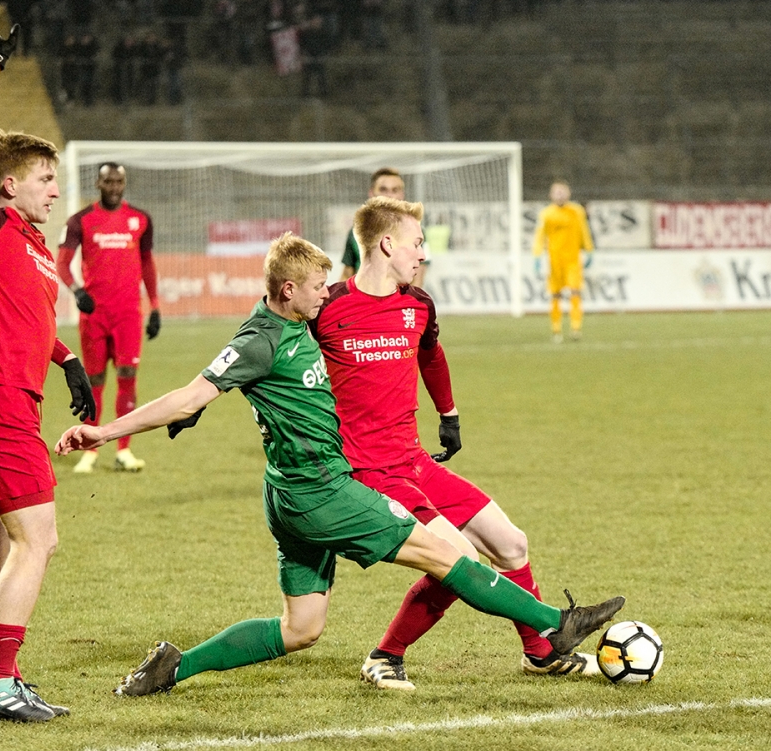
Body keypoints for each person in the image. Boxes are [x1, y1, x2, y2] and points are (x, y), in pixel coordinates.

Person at [54, 232, 625, 697]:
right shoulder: (262, 339)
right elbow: (187, 395)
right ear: (287, 289)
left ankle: (175, 666)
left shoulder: (287, 322)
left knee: (301, 628)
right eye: (316, 288)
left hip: (287, 494)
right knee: (448, 555)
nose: (325, 295)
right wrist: (104, 431)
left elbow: (218, 389)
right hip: (322, 492)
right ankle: (553, 624)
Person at [313, 196, 599, 691]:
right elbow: (277, 352)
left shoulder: (418, 304)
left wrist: (449, 414)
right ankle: (385, 655)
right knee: (458, 558)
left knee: (511, 543)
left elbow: (431, 353)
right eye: (417, 243)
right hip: (367, 470)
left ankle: (539, 653)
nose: (423, 253)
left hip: (413, 461)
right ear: (387, 244)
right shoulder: (329, 306)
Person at [0, 1, 95, 723]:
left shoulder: (35, 247)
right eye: (44, 177)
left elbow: (28, 321)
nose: (54, 189)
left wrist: (67, 359)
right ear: (7, 184)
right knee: (40, 541)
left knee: (0, 545)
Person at [56, 163, 161, 474]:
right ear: (98, 184)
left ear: (124, 183)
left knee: (128, 377)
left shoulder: (141, 219)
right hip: (95, 316)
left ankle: (124, 450)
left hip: (128, 315)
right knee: (95, 381)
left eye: (119, 181)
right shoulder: (80, 220)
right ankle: (90, 451)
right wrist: (77, 291)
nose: (114, 187)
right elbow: (62, 263)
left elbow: (147, 264)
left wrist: (155, 306)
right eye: (108, 182)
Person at [340, 167, 429, 287]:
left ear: (402, 194)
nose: (389, 195)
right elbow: (346, 274)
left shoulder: (416, 232)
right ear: (371, 193)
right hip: (362, 296)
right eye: (383, 189)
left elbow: (417, 280)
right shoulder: (356, 231)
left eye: (395, 190)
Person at [532, 180, 594, 343]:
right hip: (554, 260)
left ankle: (575, 328)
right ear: (551, 195)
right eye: (556, 192)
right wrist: (537, 255)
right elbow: (540, 235)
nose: (560, 195)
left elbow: (584, 231)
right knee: (555, 295)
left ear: (569, 193)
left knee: (575, 292)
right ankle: (556, 330)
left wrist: (589, 250)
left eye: (562, 191)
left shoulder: (577, 211)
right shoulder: (546, 214)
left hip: (573, 260)